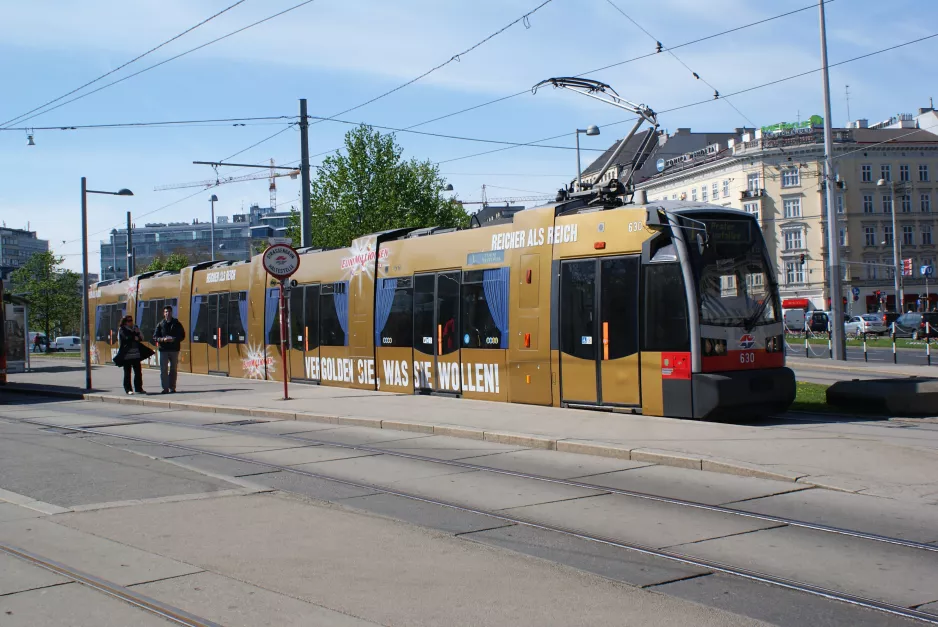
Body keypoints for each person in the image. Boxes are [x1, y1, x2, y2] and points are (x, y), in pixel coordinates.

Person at [153, 305, 185, 394]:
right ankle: (165, 388)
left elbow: (182, 335)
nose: (168, 313)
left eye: (169, 312)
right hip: (163, 349)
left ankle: (172, 387)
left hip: (174, 349)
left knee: (173, 369)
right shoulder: (160, 324)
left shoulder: (177, 323)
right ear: (164, 313)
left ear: (171, 313)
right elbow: (155, 337)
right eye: (166, 312)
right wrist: (163, 339)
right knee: (163, 369)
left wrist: (174, 339)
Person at [117, 315, 146, 395]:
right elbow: (126, 338)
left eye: (131, 320)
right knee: (127, 373)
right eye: (129, 320)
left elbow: (141, 337)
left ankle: (139, 388)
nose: (131, 322)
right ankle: (128, 389)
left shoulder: (135, 328)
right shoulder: (122, 329)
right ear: (125, 322)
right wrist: (134, 336)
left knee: (138, 372)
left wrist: (137, 333)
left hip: (136, 354)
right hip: (127, 355)